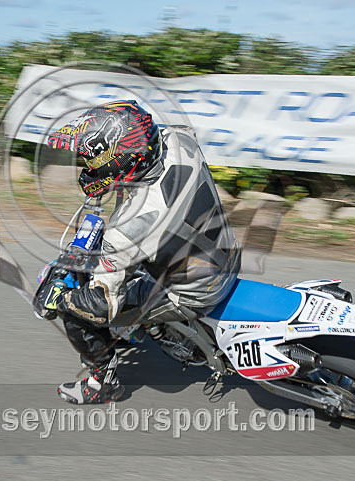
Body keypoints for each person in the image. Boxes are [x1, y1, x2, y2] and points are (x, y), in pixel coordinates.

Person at [45, 100, 240, 404]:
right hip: (223, 250)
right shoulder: (180, 142)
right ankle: (144, 328)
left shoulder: (127, 229)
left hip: (195, 291)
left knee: (78, 311)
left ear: (119, 159)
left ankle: (102, 383)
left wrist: (61, 299)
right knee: (127, 266)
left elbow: (103, 304)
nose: (88, 166)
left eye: (93, 159)